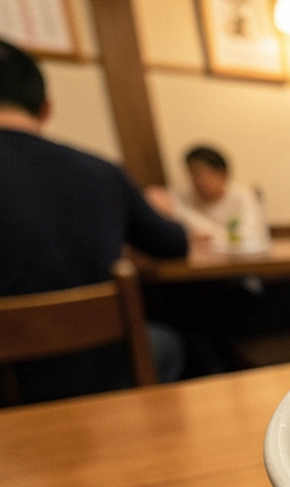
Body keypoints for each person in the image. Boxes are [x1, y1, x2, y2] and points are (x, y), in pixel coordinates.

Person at [0, 39, 188, 403]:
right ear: (46, 108)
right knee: (166, 343)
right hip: (100, 373)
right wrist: (161, 210)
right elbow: (173, 245)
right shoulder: (101, 172)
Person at [151, 145, 270, 253]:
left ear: (222, 173)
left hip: (245, 266)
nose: (199, 180)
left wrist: (207, 236)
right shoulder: (183, 199)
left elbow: (251, 238)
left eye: (204, 173)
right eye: (193, 173)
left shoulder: (243, 196)